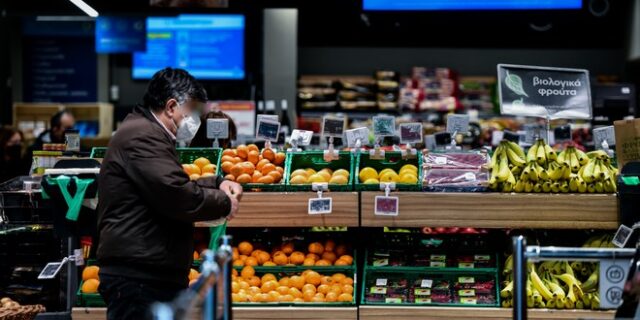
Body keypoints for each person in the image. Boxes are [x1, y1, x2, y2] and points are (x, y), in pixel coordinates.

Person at [96, 67, 243, 320]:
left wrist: (217, 182)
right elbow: (178, 196)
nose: (195, 120)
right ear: (172, 106)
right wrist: (224, 202)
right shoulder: (143, 136)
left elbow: (170, 184)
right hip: (139, 278)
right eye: (193, 111)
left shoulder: (147, 132)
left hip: (147, 271)